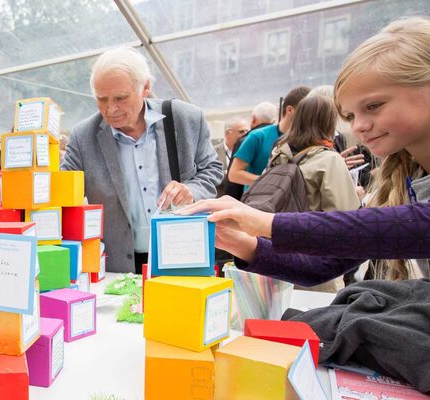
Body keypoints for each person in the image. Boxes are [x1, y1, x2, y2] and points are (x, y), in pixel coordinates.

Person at [177, 17, 430, 313]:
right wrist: (241, 242)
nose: (359, 127)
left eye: (373, 106)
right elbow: (324, 265)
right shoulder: (403, 177)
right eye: (349, 116)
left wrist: (265, 223)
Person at [61, 47, 223, 274]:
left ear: (146, 87)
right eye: (101, 99)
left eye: (121, 98)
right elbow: (59, 190)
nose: (110, 108)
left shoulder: (186, 119)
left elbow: (212, 169)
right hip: (118, 267)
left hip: (182, 254)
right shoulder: (82, 137)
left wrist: (191, 190)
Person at [267, 94, 360, 292]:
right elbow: (345, 215)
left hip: (278, 256)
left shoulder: (278, 155)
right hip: (316, 263)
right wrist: (357, 194)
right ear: (328, 122)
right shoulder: (329, 160)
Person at [228, 86, 310, 189]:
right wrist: (269, 182)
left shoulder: (307, 140)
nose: (309, 116)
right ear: (289, 110)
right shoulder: (258, 136)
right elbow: (234, 174)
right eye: (305, 111)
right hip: (258, 201)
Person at [224, 101, 277, 199]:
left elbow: (233, 184)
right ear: (273, 121)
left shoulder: (248, 139)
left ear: (253, 119)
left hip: (250, 200)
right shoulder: (283, 138)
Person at [214, 116, 249, 197]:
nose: (246, 134)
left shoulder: (249, 152)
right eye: (241, 131)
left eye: (247, 131)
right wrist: (232, 173)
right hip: (220, 202)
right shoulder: (213, 152)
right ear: (227, 133)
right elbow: (210, 175)